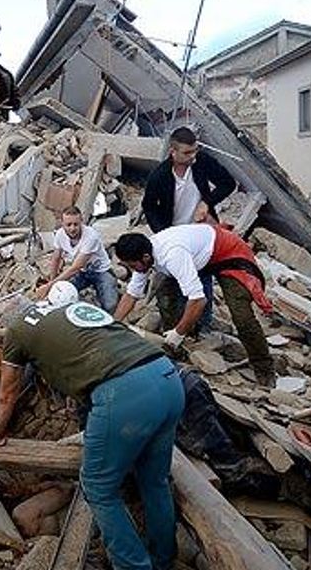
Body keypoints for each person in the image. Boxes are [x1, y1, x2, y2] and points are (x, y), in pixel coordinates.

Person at [0, 281, 183, 570]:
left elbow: (7, 394)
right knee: (155, 481)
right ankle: (165, 564)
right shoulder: (71, 311)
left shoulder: (17, 330)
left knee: (98, 487)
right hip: (167, 376)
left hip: (124, 394)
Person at [113, 224, 278, 387]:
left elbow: (198, 300)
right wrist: (113, 324)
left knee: (242, 316)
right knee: (166, 297)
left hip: (229, 254)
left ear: (146, 257)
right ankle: (175, 348)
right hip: (201, 257)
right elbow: (132, 294)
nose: (133, 270)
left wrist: (178, 333)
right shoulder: (145, 257)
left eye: (133, 266)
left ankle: (264, 368)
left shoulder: (172, 255)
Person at [141, 127, 237, 335]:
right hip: (173, 235)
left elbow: (228, 183)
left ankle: (201, 328)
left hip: (200, 233)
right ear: (172, 152)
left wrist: (206, 202)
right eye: (187, 153)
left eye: (195, 150)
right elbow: (148, 206)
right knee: (173, 283)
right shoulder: (159, 176)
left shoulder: (202, 162)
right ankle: (175, 326)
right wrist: (163, 233)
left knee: (202, 279)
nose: (193, 156)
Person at [38, 206, 118, 313]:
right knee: (60, 295)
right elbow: (56, 258)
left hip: (101, 271)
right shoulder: (59, 234)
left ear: (81, 221)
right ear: (62, 223)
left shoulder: (91, 236)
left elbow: (75, 267)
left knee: (110, 305)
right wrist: (52, 283)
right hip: (82, 272)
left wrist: (49, 286)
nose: (72, 228)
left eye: (76, 224)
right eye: (68, 225)